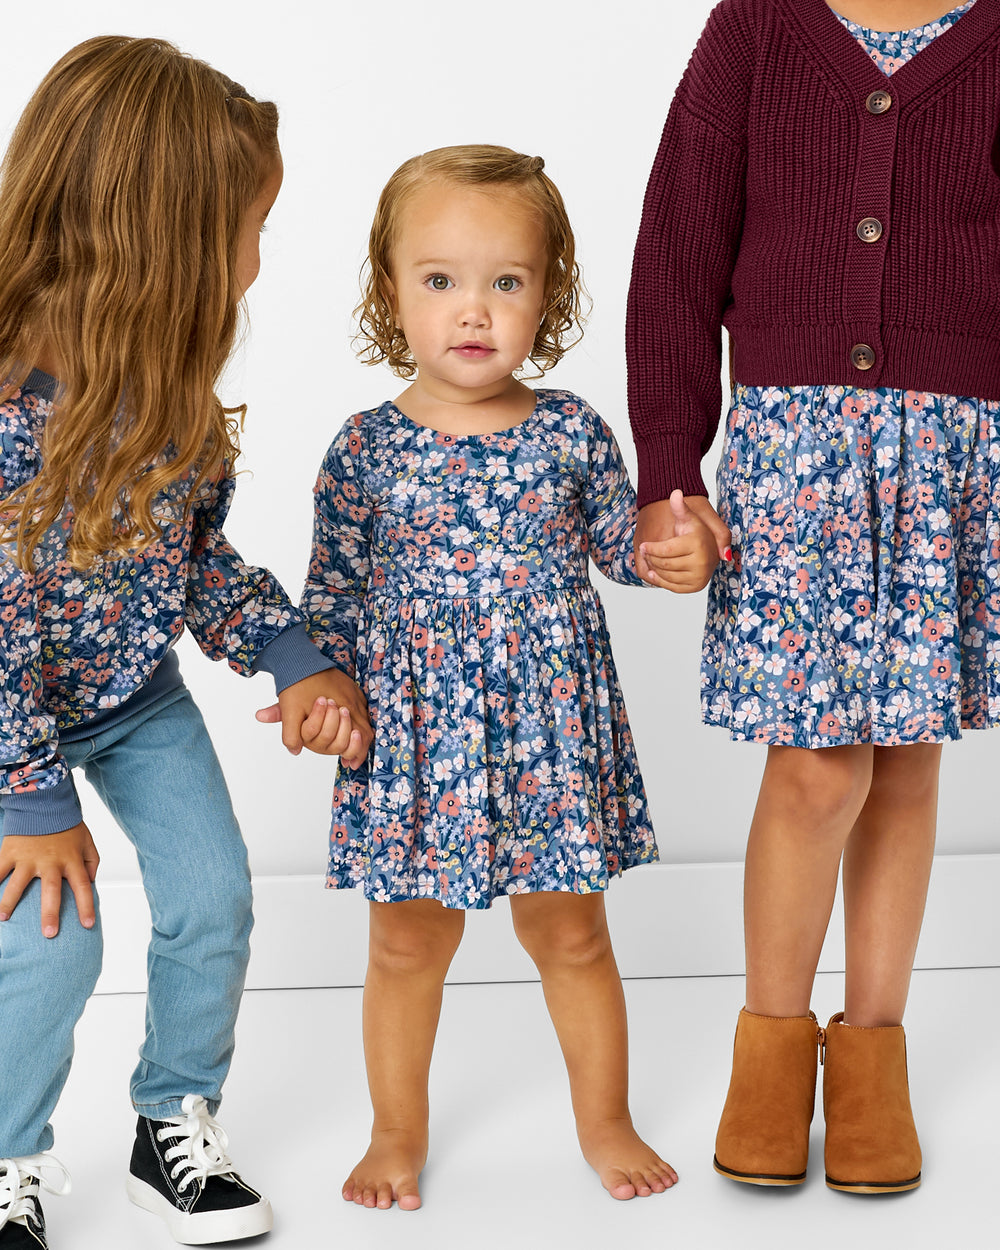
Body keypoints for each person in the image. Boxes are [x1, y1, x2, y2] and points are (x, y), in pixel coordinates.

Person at [0, 36, 370, 1249]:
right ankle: (7, 1154)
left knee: (213, 894)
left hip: (131, 693)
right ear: (164, 234)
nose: (261, 255)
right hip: (9, 729)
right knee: (57, 939)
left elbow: (193, 557)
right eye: (249, 227)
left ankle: (176, 1122)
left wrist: (288, 648)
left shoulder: (170, 393)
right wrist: (30, 795)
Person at [626, 0, 997, 1195]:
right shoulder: (759, 26)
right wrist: (670, 470)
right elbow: (679, 242)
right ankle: (772, 1047)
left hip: (956, 450)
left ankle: (874, 1050)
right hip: (796, 455)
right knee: (814, 764)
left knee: (904, 753)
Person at [294, 144, 685, 1211]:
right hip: (417, 738)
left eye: (505, 282)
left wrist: (673, 549)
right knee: (407, 939)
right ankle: (395, 1130)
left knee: (570, 929)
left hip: (549, 727)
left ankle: (604, 1120)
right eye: (440, 280)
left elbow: (625, 545)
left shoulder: (568, 430)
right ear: (391, 293)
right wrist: (318, 691)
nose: (474, 309)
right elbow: (327, 599)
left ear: (546, 295)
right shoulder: (364, 449)